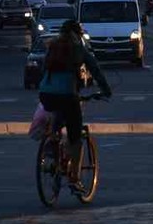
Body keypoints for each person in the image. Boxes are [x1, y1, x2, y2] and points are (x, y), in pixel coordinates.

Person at [38, 20, 112, 192]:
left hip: (46, 93)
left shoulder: (53, 45)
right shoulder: (78, 48)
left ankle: (52, 143)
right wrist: (106, 90)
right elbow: (95, 70)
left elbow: (44, 69)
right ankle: (74, 178)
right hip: (67, 95)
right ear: (78, 34)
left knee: (56, 119)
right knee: (76, 137)